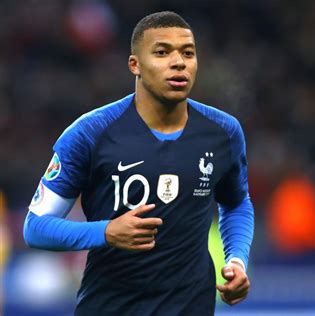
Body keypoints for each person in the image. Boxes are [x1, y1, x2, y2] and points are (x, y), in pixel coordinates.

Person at [23, 11, 254, 316]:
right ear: (135, 65)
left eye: (188, 53)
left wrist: (236, 259)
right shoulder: (91, 133)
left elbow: (237, 203)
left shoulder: (223, 132)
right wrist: (106, 232)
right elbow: (35, 227)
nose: (178, 62)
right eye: (162, 52)